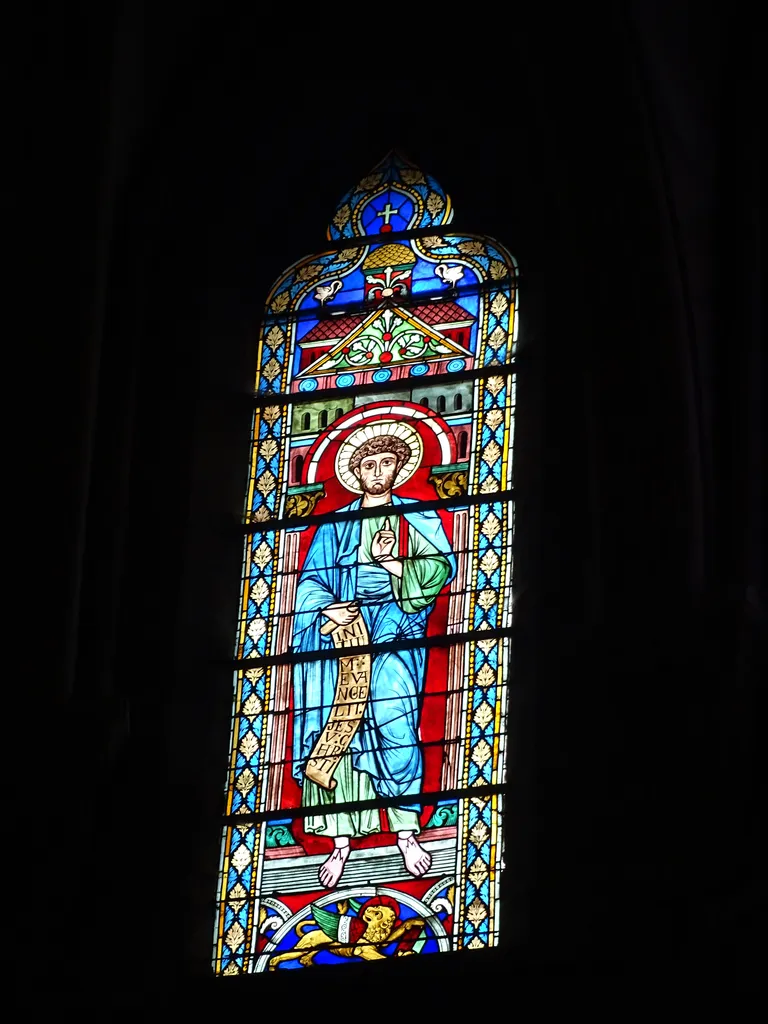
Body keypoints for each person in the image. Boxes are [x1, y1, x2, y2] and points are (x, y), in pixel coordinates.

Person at [292, 421, 455, 887]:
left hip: (395, 629)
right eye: (369, 464)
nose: (378, 472)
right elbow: (309, 583)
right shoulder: (335, 525)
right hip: (342, 635)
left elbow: (439, 569)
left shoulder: (416, 517)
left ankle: (406, 831)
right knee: (339, 732)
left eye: (387, 463)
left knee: (394, 722)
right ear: (356, 472)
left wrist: (392, 563)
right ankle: (341, 841)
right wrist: (328, 608)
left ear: (400, 469)